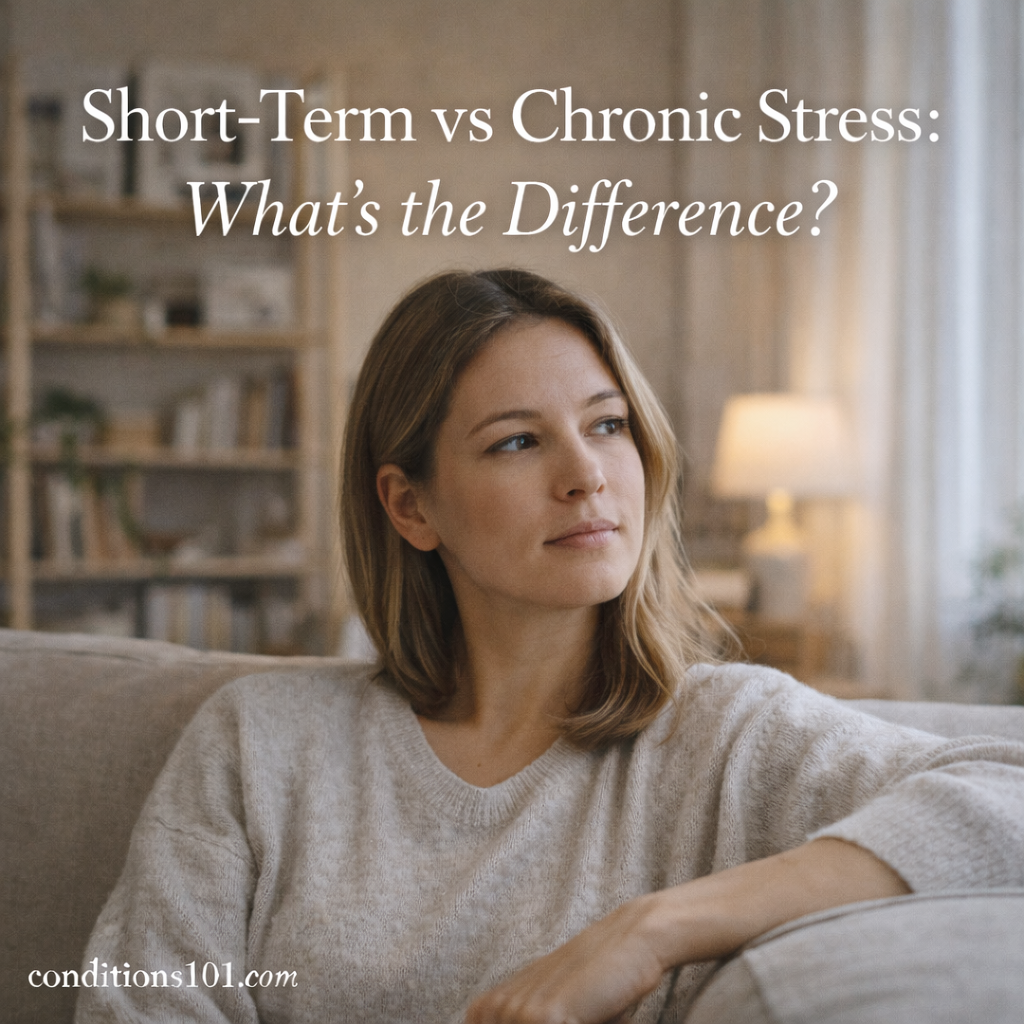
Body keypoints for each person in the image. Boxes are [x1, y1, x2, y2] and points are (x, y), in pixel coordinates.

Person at [75, 269, 1024, 1024]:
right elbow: (138, 1001)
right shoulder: (261, 741)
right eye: (517, 443)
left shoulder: (728, 735)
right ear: (410, 506)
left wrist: (650, 931)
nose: (586, 477)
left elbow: (1006, 799)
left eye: (607, 425)